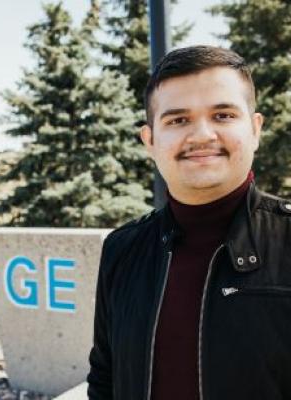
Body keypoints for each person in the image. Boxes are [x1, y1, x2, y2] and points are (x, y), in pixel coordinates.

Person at [86, 45, 291, 400]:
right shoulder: (121, 250)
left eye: (223, 115)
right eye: (178, 120)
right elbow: (106, 379)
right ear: (150, 141)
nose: (201, 135)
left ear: (255, 130)